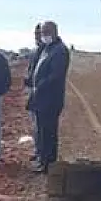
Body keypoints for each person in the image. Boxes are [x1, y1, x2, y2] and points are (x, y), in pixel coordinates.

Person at [28, 20, 70, 173]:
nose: (43, 35)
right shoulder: (48, 48)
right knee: (42, 131)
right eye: (42, 33)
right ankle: (42, 160)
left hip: (50, 99)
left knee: (49, 132)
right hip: (41, 98)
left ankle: (48, 164)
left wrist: (40, 85)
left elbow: (56, 75)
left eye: (46, 32)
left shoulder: (60, 51)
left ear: (54, 32)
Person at [23, 23, 45, 162]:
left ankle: (41, 154)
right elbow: (32, 70)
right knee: (35, 124)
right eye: (35, 34)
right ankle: (38, 151)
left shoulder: (46, 51)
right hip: (33, 90)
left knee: (40, 125)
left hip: (41, 92)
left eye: (39, 34)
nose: (37, 36)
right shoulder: (35, 50)